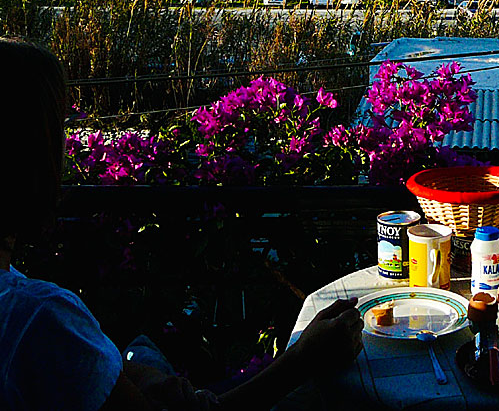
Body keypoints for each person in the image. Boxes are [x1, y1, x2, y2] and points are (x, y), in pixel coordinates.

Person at [0, 38, 363, 410]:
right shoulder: (37, 319)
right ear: (33, 156)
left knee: (144, 353)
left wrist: (133, 374)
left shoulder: (27, 309)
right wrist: (303, 359)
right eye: (60, 129)